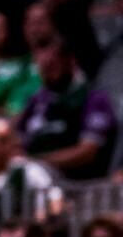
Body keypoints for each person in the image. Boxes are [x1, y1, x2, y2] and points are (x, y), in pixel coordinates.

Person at [18, 32, 118, 181]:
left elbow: (87, 152)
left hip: (78, 186)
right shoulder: (37, 100)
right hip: (35, 181)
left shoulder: (94, 99)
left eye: (52, 66)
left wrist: (38, 163)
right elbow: (17, 142)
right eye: (43, 67)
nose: (47, 73)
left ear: (71, 61)